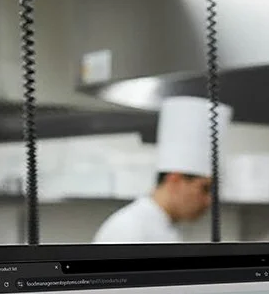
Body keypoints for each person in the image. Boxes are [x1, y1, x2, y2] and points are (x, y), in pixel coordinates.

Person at [93, 96, 231, 243]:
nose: (209, 201)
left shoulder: (167, 228)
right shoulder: (128, 229)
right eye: (204, 188)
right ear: (175, 179)